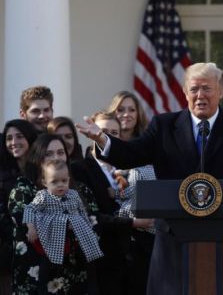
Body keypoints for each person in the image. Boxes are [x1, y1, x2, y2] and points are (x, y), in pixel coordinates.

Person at [76, 62, 223, 294]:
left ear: (220, 91)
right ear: (184, 93)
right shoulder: (164, 126)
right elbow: (132, 154)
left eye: (207, 88)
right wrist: (103, 140)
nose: (200, 95)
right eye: (194, 89)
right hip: (174, 238)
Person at [72, 111, 153, 295]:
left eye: (113, 133)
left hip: (137, 261)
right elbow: (90, 217)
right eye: (102, 131)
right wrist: (132, 222)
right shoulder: (79, 169)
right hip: (104, 261)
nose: (106, 136)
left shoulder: (132, 169)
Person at [8, 134, 100, 293]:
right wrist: (67, 223)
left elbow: (94, 222)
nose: (56, 157)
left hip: (76, 275)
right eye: (48, 154)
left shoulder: (80, 190)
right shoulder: (24, 188)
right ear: (37, 157)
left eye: (60, 152)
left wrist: (78, 227)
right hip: (37, 276)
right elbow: (24, 223)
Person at [23, 159, 103, 293]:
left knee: (89, 255)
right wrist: (31, 227)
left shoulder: (73, 194)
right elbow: (30, 209)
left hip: (77, 232)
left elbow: (82, 212)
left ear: (68, 180)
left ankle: (93, 285)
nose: (60, 185)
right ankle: (41, 289)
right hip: (54, 234)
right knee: (46, 263)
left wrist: (87, 228)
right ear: (44, 182)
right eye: (54, 182)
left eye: (64, 181)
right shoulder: (43, 196)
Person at [0, 120, 38, 294]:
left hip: (43, 247)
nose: (14, 142)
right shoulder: (3, 173)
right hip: (12, 251)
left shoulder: (43, 170)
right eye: (9, 138)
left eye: (19, 136)